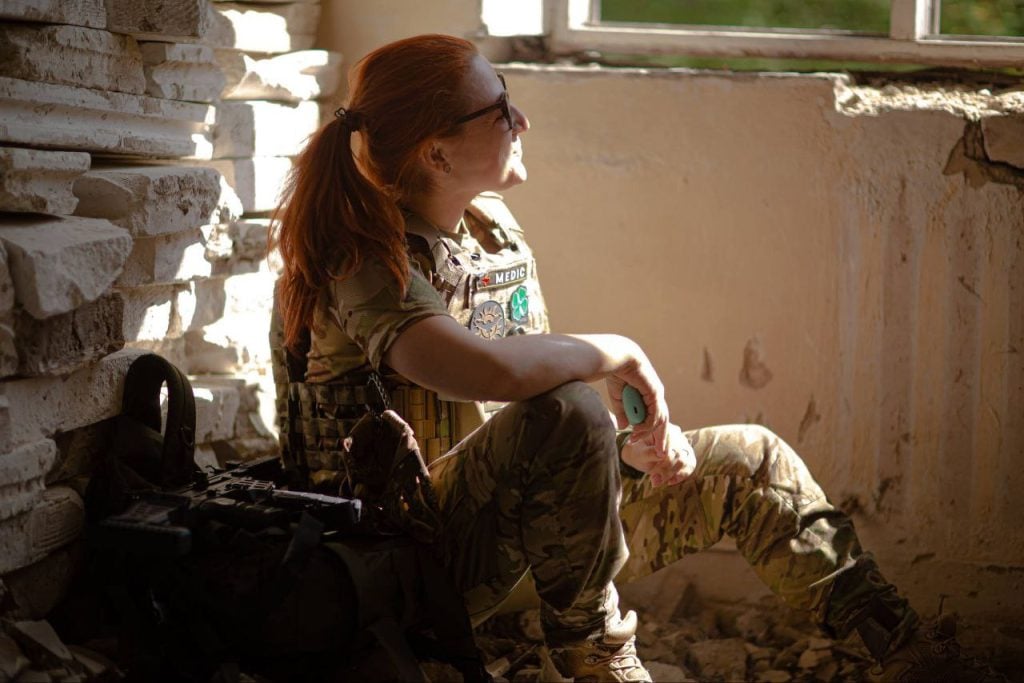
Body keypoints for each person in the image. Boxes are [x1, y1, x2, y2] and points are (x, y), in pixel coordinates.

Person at [269, 34, 1006, 683]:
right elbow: (494, 376)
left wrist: (629, 448)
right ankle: (595, 654)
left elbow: (519, 404)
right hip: (404, 566)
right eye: (499, 110)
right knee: (569, 408)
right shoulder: (362, 260)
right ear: (436, 151)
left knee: (751, 462)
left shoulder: (487, 229)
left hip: (507, 534)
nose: (522, 121)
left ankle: (908, 650)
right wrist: (619, 350)